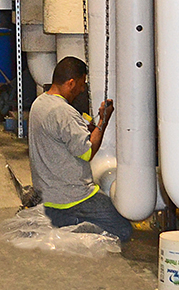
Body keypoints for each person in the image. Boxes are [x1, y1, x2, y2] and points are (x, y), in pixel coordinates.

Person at [27, 56, 132, 242]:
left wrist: (92, 124)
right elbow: (88, 152)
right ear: (71, 83)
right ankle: (70, 224)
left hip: (47, 192)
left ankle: (63, 221)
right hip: (71, 198)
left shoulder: (40, 103)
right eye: (82, 84)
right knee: (124, 230)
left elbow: (70, 134)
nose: (82, 89)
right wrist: (103, 121)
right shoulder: (64, 112)